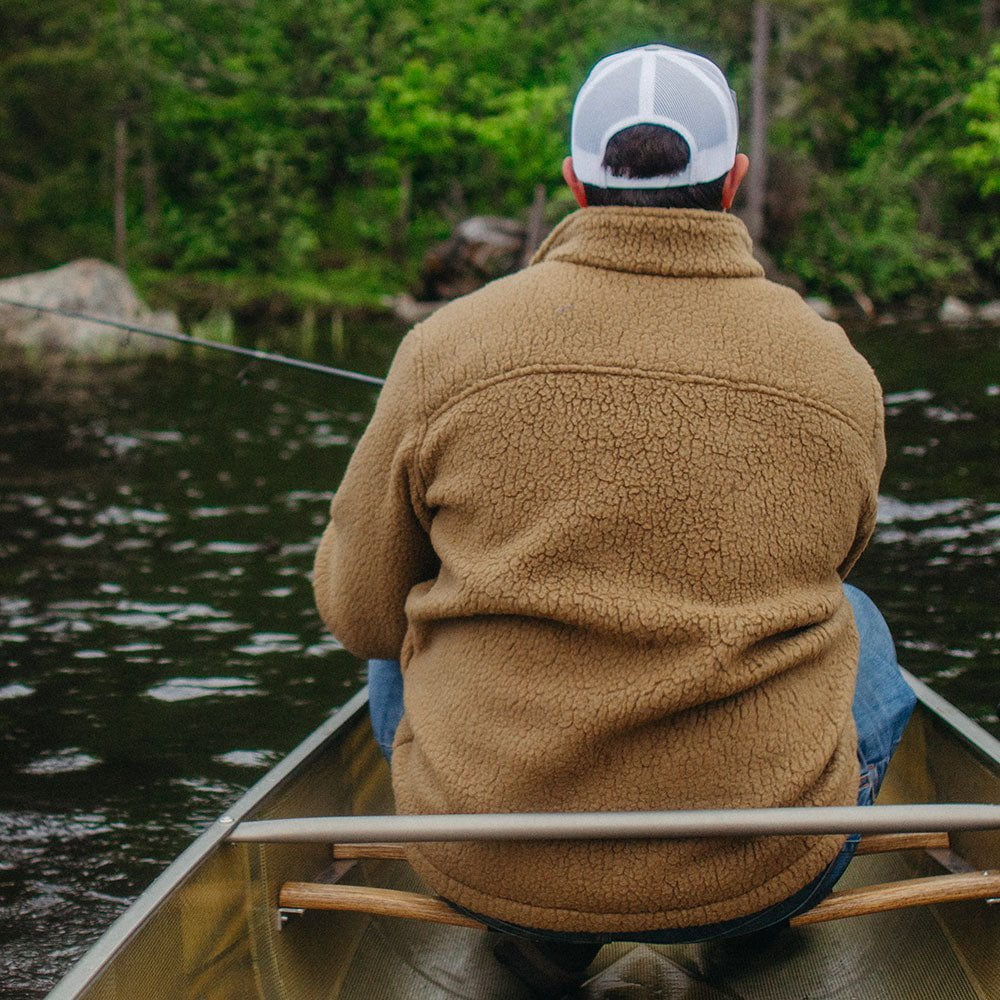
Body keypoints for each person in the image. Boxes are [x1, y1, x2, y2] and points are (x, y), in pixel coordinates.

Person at [313, 42, 916, 992]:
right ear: (734, 184)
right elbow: (840, 556)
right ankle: (737, 937)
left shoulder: (446, 345)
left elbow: (359, 615)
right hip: (761, 870)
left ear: (572, 184)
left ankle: (539, 935)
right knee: (861, 621)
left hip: (485, 864)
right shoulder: (836, 367)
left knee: (401, 629)